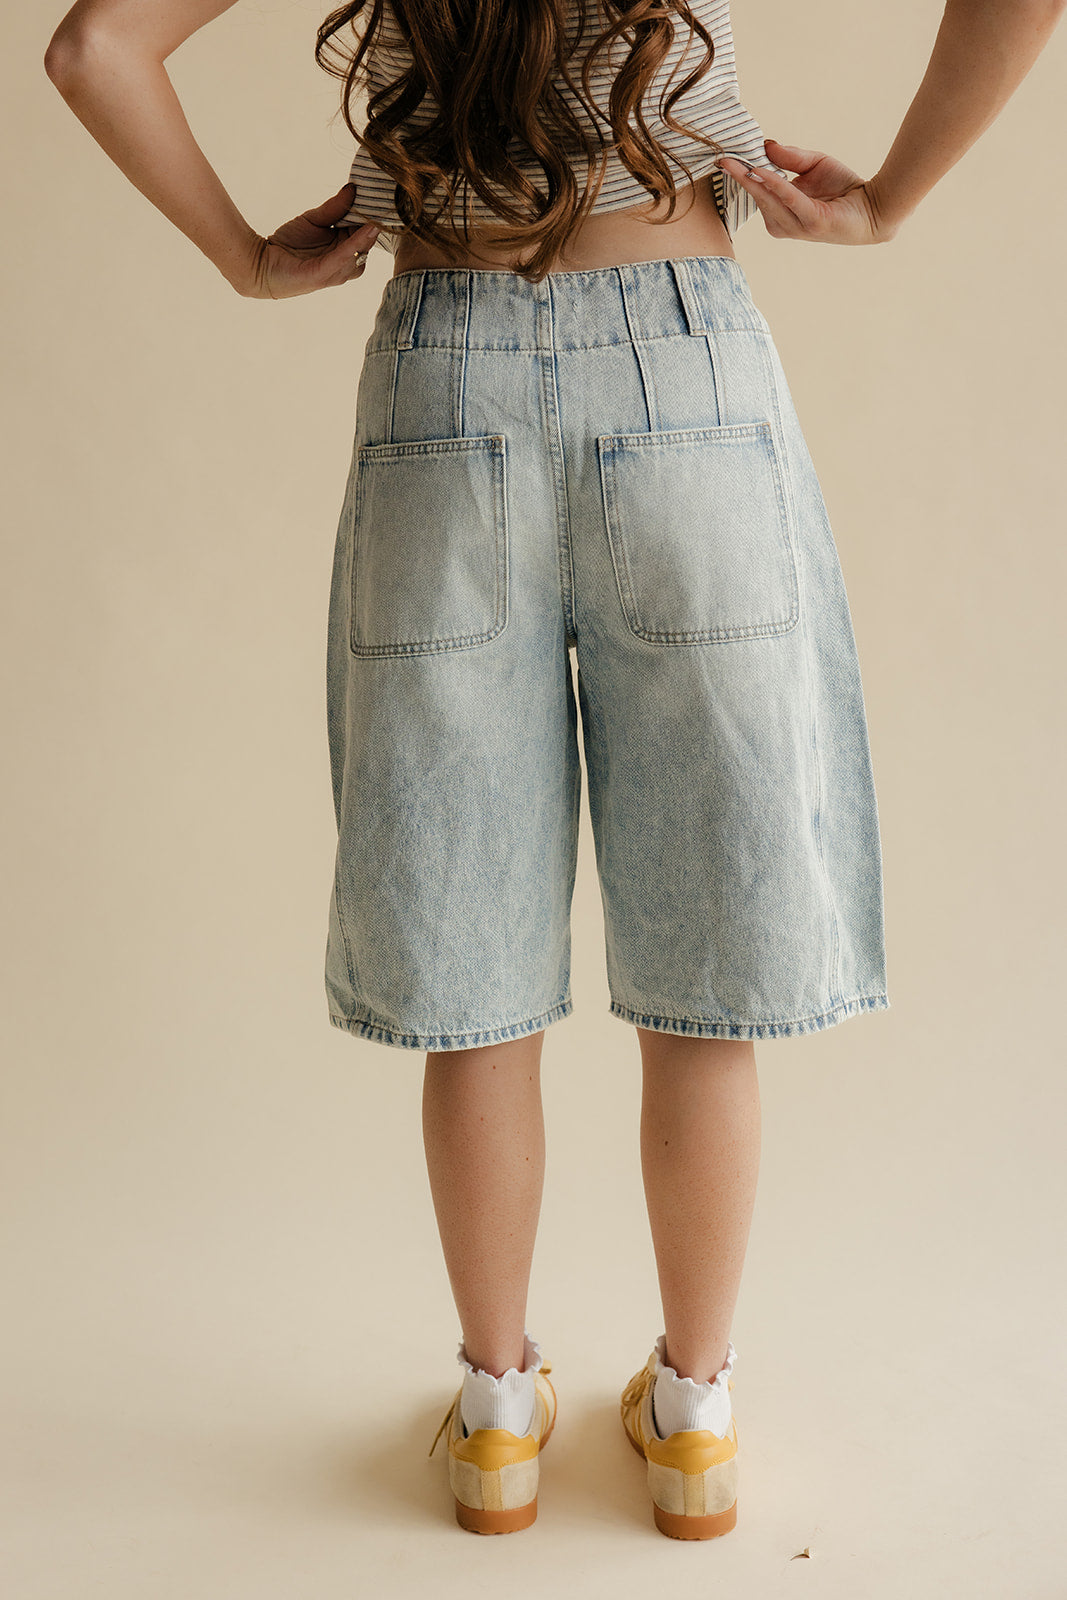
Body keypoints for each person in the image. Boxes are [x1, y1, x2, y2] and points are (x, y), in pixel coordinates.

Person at [45, 0, 1065, 1542]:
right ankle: (698, 1418)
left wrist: (251, 256)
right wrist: (889, 196)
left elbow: (93, 49)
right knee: (704, 967)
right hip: (689, 372)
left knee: (475, 964)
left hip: (442, 388)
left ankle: (501, 1410)